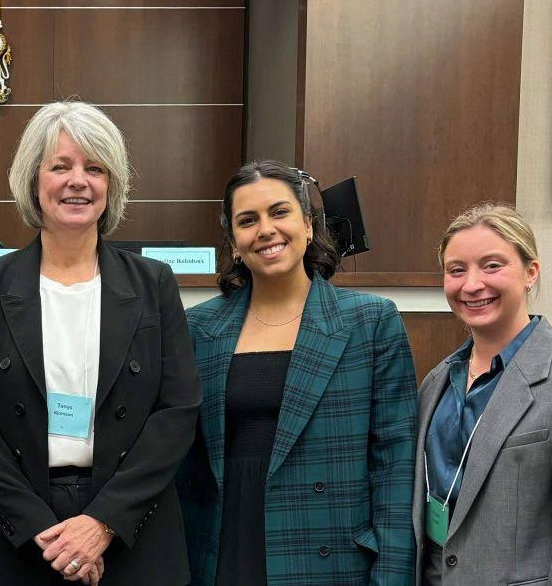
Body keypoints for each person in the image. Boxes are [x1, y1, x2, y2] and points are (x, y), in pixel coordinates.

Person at [0, 101, 202, 586]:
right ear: (33, 181)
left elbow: (177, 410)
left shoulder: (154, 283)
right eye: (60, 166)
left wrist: (103, 523)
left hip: (131, 527)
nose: (78, 181)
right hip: (19, 534)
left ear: (112, 185)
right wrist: (39, 528)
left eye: (95, 168)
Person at [177, 160, 418, 586]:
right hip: (221, 548)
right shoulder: (198, 328)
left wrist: (392, 576)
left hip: (328, 556)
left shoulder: (369, 322)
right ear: (234, 243)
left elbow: (395, 468)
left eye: (279, 212)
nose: (265, 229)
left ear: (308, 225)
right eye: (247, 220)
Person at [412, 202, 552, 585]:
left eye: (492, 265)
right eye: (456, 270)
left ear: (531, 272)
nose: (471, 284)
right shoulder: (436, 381)